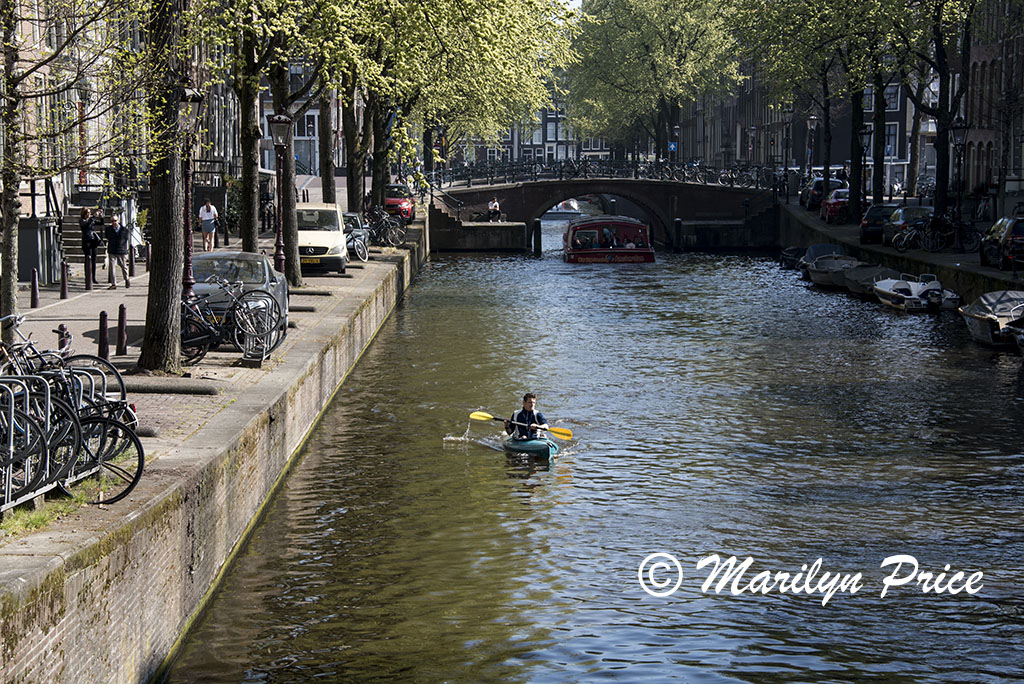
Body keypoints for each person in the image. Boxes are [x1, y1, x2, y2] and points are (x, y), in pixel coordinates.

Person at [105, 214, 130, 289]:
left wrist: (122, 247)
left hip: (121, 250)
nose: (114, 223)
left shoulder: (124, 230)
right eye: (112, 221)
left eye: (115, 221)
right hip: (112, 250)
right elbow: (108, 237)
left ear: (118, 221)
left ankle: (127, 279)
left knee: (123, 266)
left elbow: (125, 239)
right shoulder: (108, 229)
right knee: (112, 267)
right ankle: (113, 284)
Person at [79, 207, 101, 284]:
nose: (89, 214)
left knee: (94, 259)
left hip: (93, 241)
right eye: (88, 213)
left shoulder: (91, 220)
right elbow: (87, 225)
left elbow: (101, 223)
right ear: (84, 214)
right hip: (86, 241)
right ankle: (87, 276)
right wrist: (94, 216)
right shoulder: (82, 221)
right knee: (88, 258)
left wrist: (101, 217)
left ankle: (93, 277)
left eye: (90, 212)